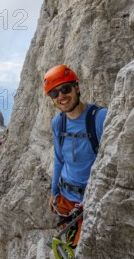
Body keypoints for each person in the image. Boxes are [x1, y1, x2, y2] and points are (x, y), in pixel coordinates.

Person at [44, 65, 107, 247]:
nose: (61, 96)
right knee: (70, 241)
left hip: (91, 201)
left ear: (77, 87)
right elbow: (59, 159)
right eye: (54, 94)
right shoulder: (58, 123)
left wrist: (93, 200)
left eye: (65, 89)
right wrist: (54, 192)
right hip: (66, 197)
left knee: (81, 251)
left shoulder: (100, 118)